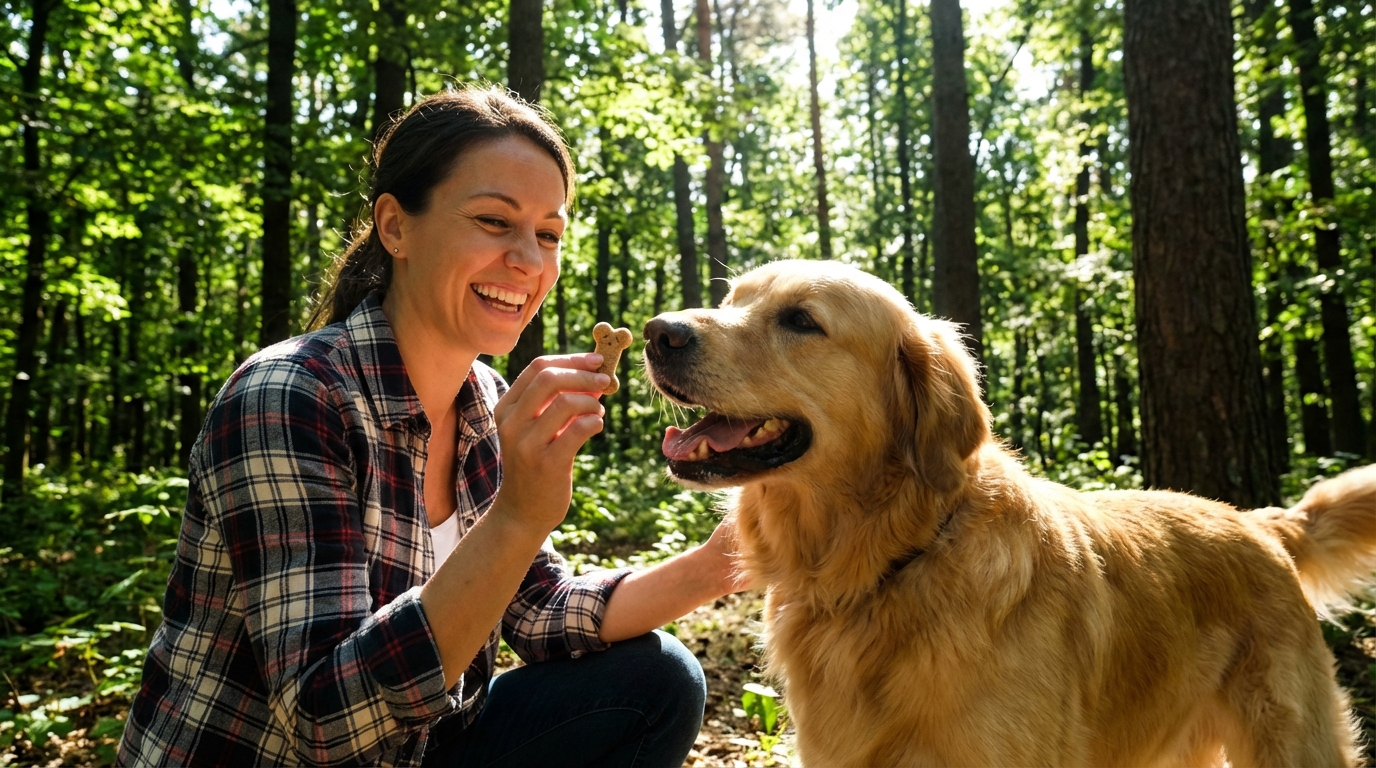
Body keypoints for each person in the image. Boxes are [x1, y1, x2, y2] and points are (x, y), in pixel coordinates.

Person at [116, 86, 747, 768]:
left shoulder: (487, 400)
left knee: (657, 681)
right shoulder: (291, 395)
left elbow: (538, 609)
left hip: (420, 750)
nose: (529, 261)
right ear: (395, 227)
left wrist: (724, 561)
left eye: (548, 234)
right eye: (493, 221)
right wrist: (518, 516)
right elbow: (322, 722)